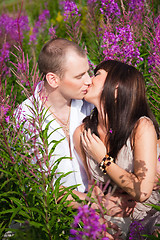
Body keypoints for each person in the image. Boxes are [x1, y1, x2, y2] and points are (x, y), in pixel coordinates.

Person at [73, 60, 160, 239]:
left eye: (97, 74)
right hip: (113, 217)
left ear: (117, 87)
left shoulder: (141, 127)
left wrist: (103, 159)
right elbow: (93, 190)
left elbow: (142, 192)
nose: (89, 79)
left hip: (148, 215)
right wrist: (98, 222)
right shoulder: (83, 133)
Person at [15, 38, 93, 195]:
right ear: (53, 79)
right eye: (79, 76)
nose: (89, 81)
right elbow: (38, 184)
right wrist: (92, 204)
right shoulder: (26, 116)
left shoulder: (90, 104)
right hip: (54, 214)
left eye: (88, 72)